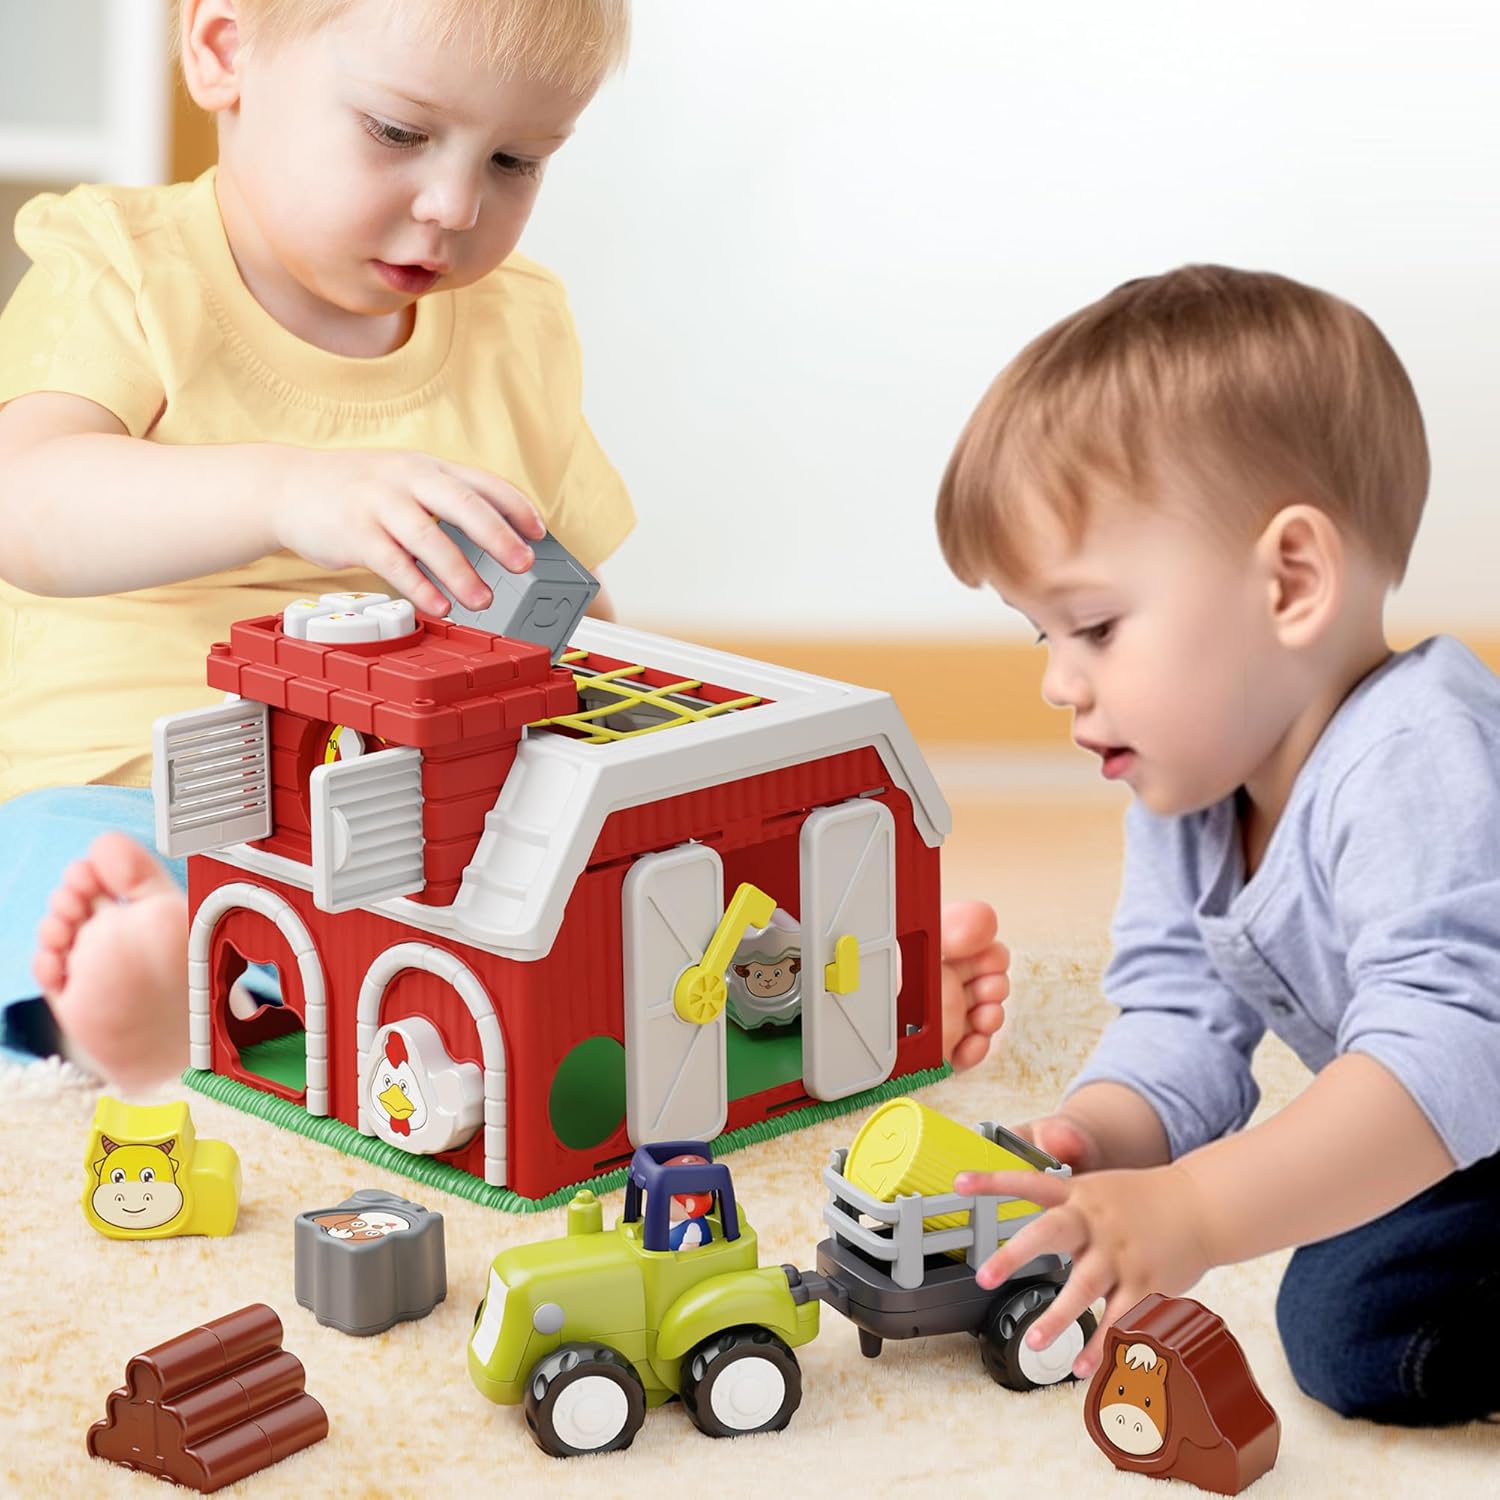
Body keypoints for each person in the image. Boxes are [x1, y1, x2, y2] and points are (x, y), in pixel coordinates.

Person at [1, 0, 1010, 1083]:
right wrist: (288, 488)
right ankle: (153, 988)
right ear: (223, 49)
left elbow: (563, 606)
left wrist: (653, 775)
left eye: (518, 160)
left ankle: (815, 986)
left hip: (433, 812)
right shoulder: (125, 267)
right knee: (64, 877)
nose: (453, 204)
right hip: (135, 786)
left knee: (607, 894)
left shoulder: (516, 325)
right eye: (397, 132)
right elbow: (29, 501)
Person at [937, 265, 1500, 1425]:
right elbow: (1180, 1016)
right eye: (1040, 633)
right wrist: (1095, 1141)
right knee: (1350, 1289)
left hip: (1473, 1104)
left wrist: (1194, 1210)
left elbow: (1449, 1044)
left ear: (1291, 579)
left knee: (1344, 1315)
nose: (1054, 680)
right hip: (1471, 1143)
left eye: (1093, 625)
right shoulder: (1191, 789)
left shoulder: (1416, 749)